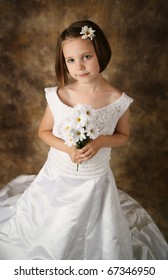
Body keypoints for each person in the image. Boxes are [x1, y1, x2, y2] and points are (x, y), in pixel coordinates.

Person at [0, 20, 167, 260]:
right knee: (52, 229)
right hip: (57, 177)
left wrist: (99, 142)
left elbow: (123, 136)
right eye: (70, 60)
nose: (79, 66)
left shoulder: (117, 100)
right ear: (64, 62)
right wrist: (68, 148)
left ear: (100, 52)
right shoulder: (60, 95)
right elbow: (44, 132)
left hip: (94, 182)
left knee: (92, 232)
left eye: (86, 56)